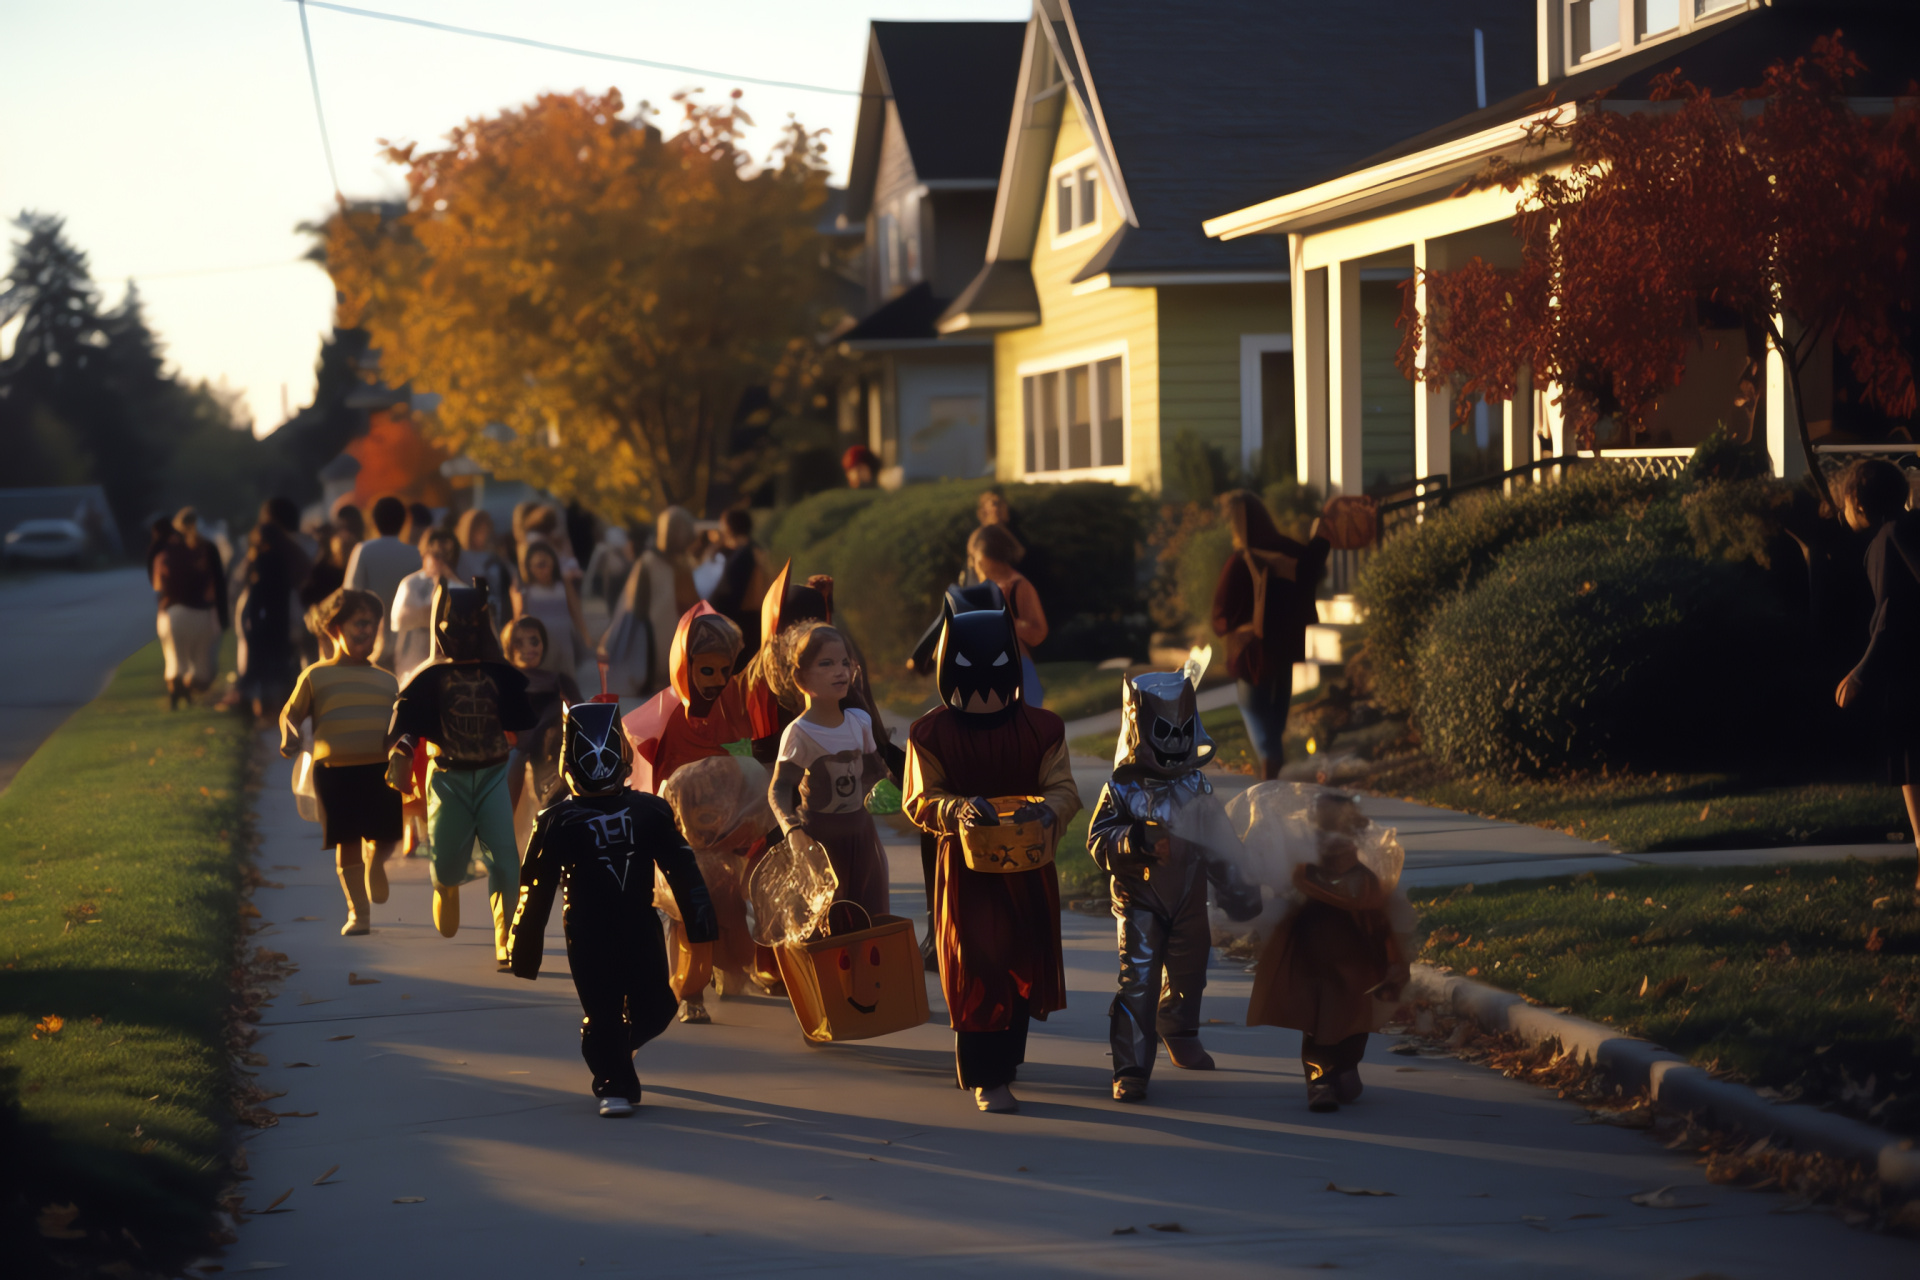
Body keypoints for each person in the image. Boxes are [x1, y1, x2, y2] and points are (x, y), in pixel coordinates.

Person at [902, 595, 1081, 1113]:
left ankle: (1006, 1060)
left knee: (1022, 960)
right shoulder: (930, 733)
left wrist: (1046, 811)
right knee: (978, 961)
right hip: (966, 874)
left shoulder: (1042, 729)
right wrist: (956, 810)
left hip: (1027, 870)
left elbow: (1063, 787)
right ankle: (986, 1072)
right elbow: (921, 797)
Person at [508, 699, 717, 1117]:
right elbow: (535, 887)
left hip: (640, 922)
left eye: (606, 753)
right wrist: (523, 944)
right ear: (571, 758)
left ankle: (620, 1046)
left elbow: (683, 868)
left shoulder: (651, 811)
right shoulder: (555, 821)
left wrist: (702, 922)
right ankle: (612, 1081)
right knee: (602, 1009)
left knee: (658, 1005)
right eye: (588, 755)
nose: (599, 763)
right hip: (586, 929)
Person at [1087, 653, 1262, 1103]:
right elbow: (1097, 840)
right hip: (1139, 898)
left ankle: (1179, 1027)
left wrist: (1237, 885)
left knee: (1190, 972)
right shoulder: (1121, 789)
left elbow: (1220, 841)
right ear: (1140, 729)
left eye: (1182, 731)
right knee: (1139, 978)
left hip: (1187, 897)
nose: (1174, 741)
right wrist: (1135, 841)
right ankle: (1130, 1067)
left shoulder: (1197, 787)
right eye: (1163, 731)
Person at [385, 578, 536, 969]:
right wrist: (402, 749)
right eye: (455, 626)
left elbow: (528, 714)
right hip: (448, 779)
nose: (464, 634)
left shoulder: (499, 675)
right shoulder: (430, 678)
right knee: (447, 864)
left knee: (505, 859)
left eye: (472, 626)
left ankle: (506, 938)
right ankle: (445, 886)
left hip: (492, 775)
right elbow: (406, 720)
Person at [1245, 790, 1416, 1112]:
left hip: (1355, 965)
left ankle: (1344, 1067)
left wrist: (1393, 961)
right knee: (1321, 1022)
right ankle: (1319, 1078)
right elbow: (1284, 896)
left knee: (1352, 1027)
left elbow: (1379, 922)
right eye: (1325, 834)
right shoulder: (1306, 872)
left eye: (1344, 833)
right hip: (1315, 960)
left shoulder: (1365, 879)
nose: (1335, 842)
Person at [279, 588, 402, 935]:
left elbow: (400, 725)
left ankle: (377, 862)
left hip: (381, 769)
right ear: (334, 629)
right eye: (360, 623)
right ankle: (358, 913)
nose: (368, 631)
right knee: (347, 840)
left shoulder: (387, 680)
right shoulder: (316, 676)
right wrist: (289, 735)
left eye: (373, 625)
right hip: (334, 773)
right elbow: (291, 714)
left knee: (388, 834)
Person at [1833, 458, 1920, 896]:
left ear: (1859, 503)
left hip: (1909, 673)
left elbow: (1890, 615)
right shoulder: (1909, 530)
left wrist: (1861, 672)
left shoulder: (1888, 539)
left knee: (1910, 760)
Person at [768, 622, 892, 921]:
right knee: (827, 921)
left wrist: (893, 790)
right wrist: (792, 831)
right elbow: (780, 788)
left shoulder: (859, 722)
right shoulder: (799, 734)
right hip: (820, 842)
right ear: (800, 678)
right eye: (827, 663)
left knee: (869, 917)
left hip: (863, 837)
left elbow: (876, 773)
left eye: (845, 663)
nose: (840, 671)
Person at [1211, 491, 1331, 781]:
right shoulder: (1287, 552)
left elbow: (1221, 615)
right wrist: (1323, 533)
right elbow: (1315, 568)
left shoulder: (1239, 563)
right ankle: (1274, 774)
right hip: (1285, 648)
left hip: (1251, 654)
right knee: (1276, 718)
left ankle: (1270, 773)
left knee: (1256, 716)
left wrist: (1229, 626)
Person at [600, 506, 699, 698]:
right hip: (655, 629)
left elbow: (689, 596)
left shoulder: (681, 562)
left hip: (678, 625)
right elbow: (636, 604)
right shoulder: (649, 562)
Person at [501, 615, 581, 849]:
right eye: (519, 643)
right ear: (508, 647)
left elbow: (579, 714)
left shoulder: (559, 681)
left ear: (543, 644)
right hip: (514, 759)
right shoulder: (504, 681)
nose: (528, 649)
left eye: (533, 641)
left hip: (550, 765)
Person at [966, 523, 1047, 708]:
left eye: (980, 562)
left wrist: (1010, 624)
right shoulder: (986, 589)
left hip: (1018, 669)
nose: (976, 568)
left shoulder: (1018, 587)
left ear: (995, 558)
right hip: (990, 670)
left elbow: (1039, 632)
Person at [153, 507, 227, 709]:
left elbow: (158, 584)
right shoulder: (207, 548)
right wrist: (221, 616)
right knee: (200, 662)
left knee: (174, 658)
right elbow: (217, 584)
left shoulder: (167, 551)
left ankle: (177, 691)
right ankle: (190, 687)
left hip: (171, 612)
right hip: (200, 611)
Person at [236, 517, 308, 723]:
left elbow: (253, 591)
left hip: (262, 622)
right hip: (282, 622)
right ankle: (279, 711)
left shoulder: (261, 560)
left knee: (259, 668)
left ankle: (262, 712)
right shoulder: (288, 558)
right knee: (280, 668)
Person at [345, 496, 422, 672]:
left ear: (373, 521)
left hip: (369, 639)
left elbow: (350, 596)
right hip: (407, 641)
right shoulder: (415, 554)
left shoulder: (363, 550)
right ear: (403, 521)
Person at [389, 529, 463, 688]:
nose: (442, 562)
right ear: (425, 554)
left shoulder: (460, 587)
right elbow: (400, 619)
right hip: (411, 666)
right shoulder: (411, 584)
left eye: (448, 556)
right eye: (437, 555)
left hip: (448, 669)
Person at [513, 541, 591, 680]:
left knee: (566, 681)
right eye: (538, 565)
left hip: (564, 644)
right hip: (540, 647)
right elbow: (519, 619)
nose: (544, 569)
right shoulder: (526, 592)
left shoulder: (562, 586)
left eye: (546, 564)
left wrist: (585, 636)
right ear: (529, 568)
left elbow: (575, 611)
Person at [708, 508, 773, 655]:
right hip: (754, 621)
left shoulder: (744, 555)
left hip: (742, 625)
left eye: (722, 524)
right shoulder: (755, 550)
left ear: (729, 528)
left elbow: (730, 593)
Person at [455, 508, 515, 611]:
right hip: (469, 607)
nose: (484, 536)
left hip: (495, 607)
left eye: (486, 531)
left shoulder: (495, 556)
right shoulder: (459, 558)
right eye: (479, 531)